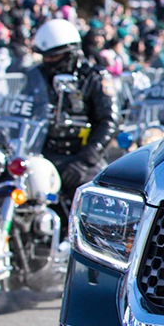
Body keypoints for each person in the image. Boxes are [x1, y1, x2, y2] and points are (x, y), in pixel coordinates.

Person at [29, 19, 120, 201]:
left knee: (92, 197)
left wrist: (85, 160)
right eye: (45, 56)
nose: (48, 62)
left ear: (72, 53)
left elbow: (109, 121)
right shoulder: (35, 76)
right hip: (41, 153)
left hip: (79, 156)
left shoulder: (94, 77)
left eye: (54, 56)